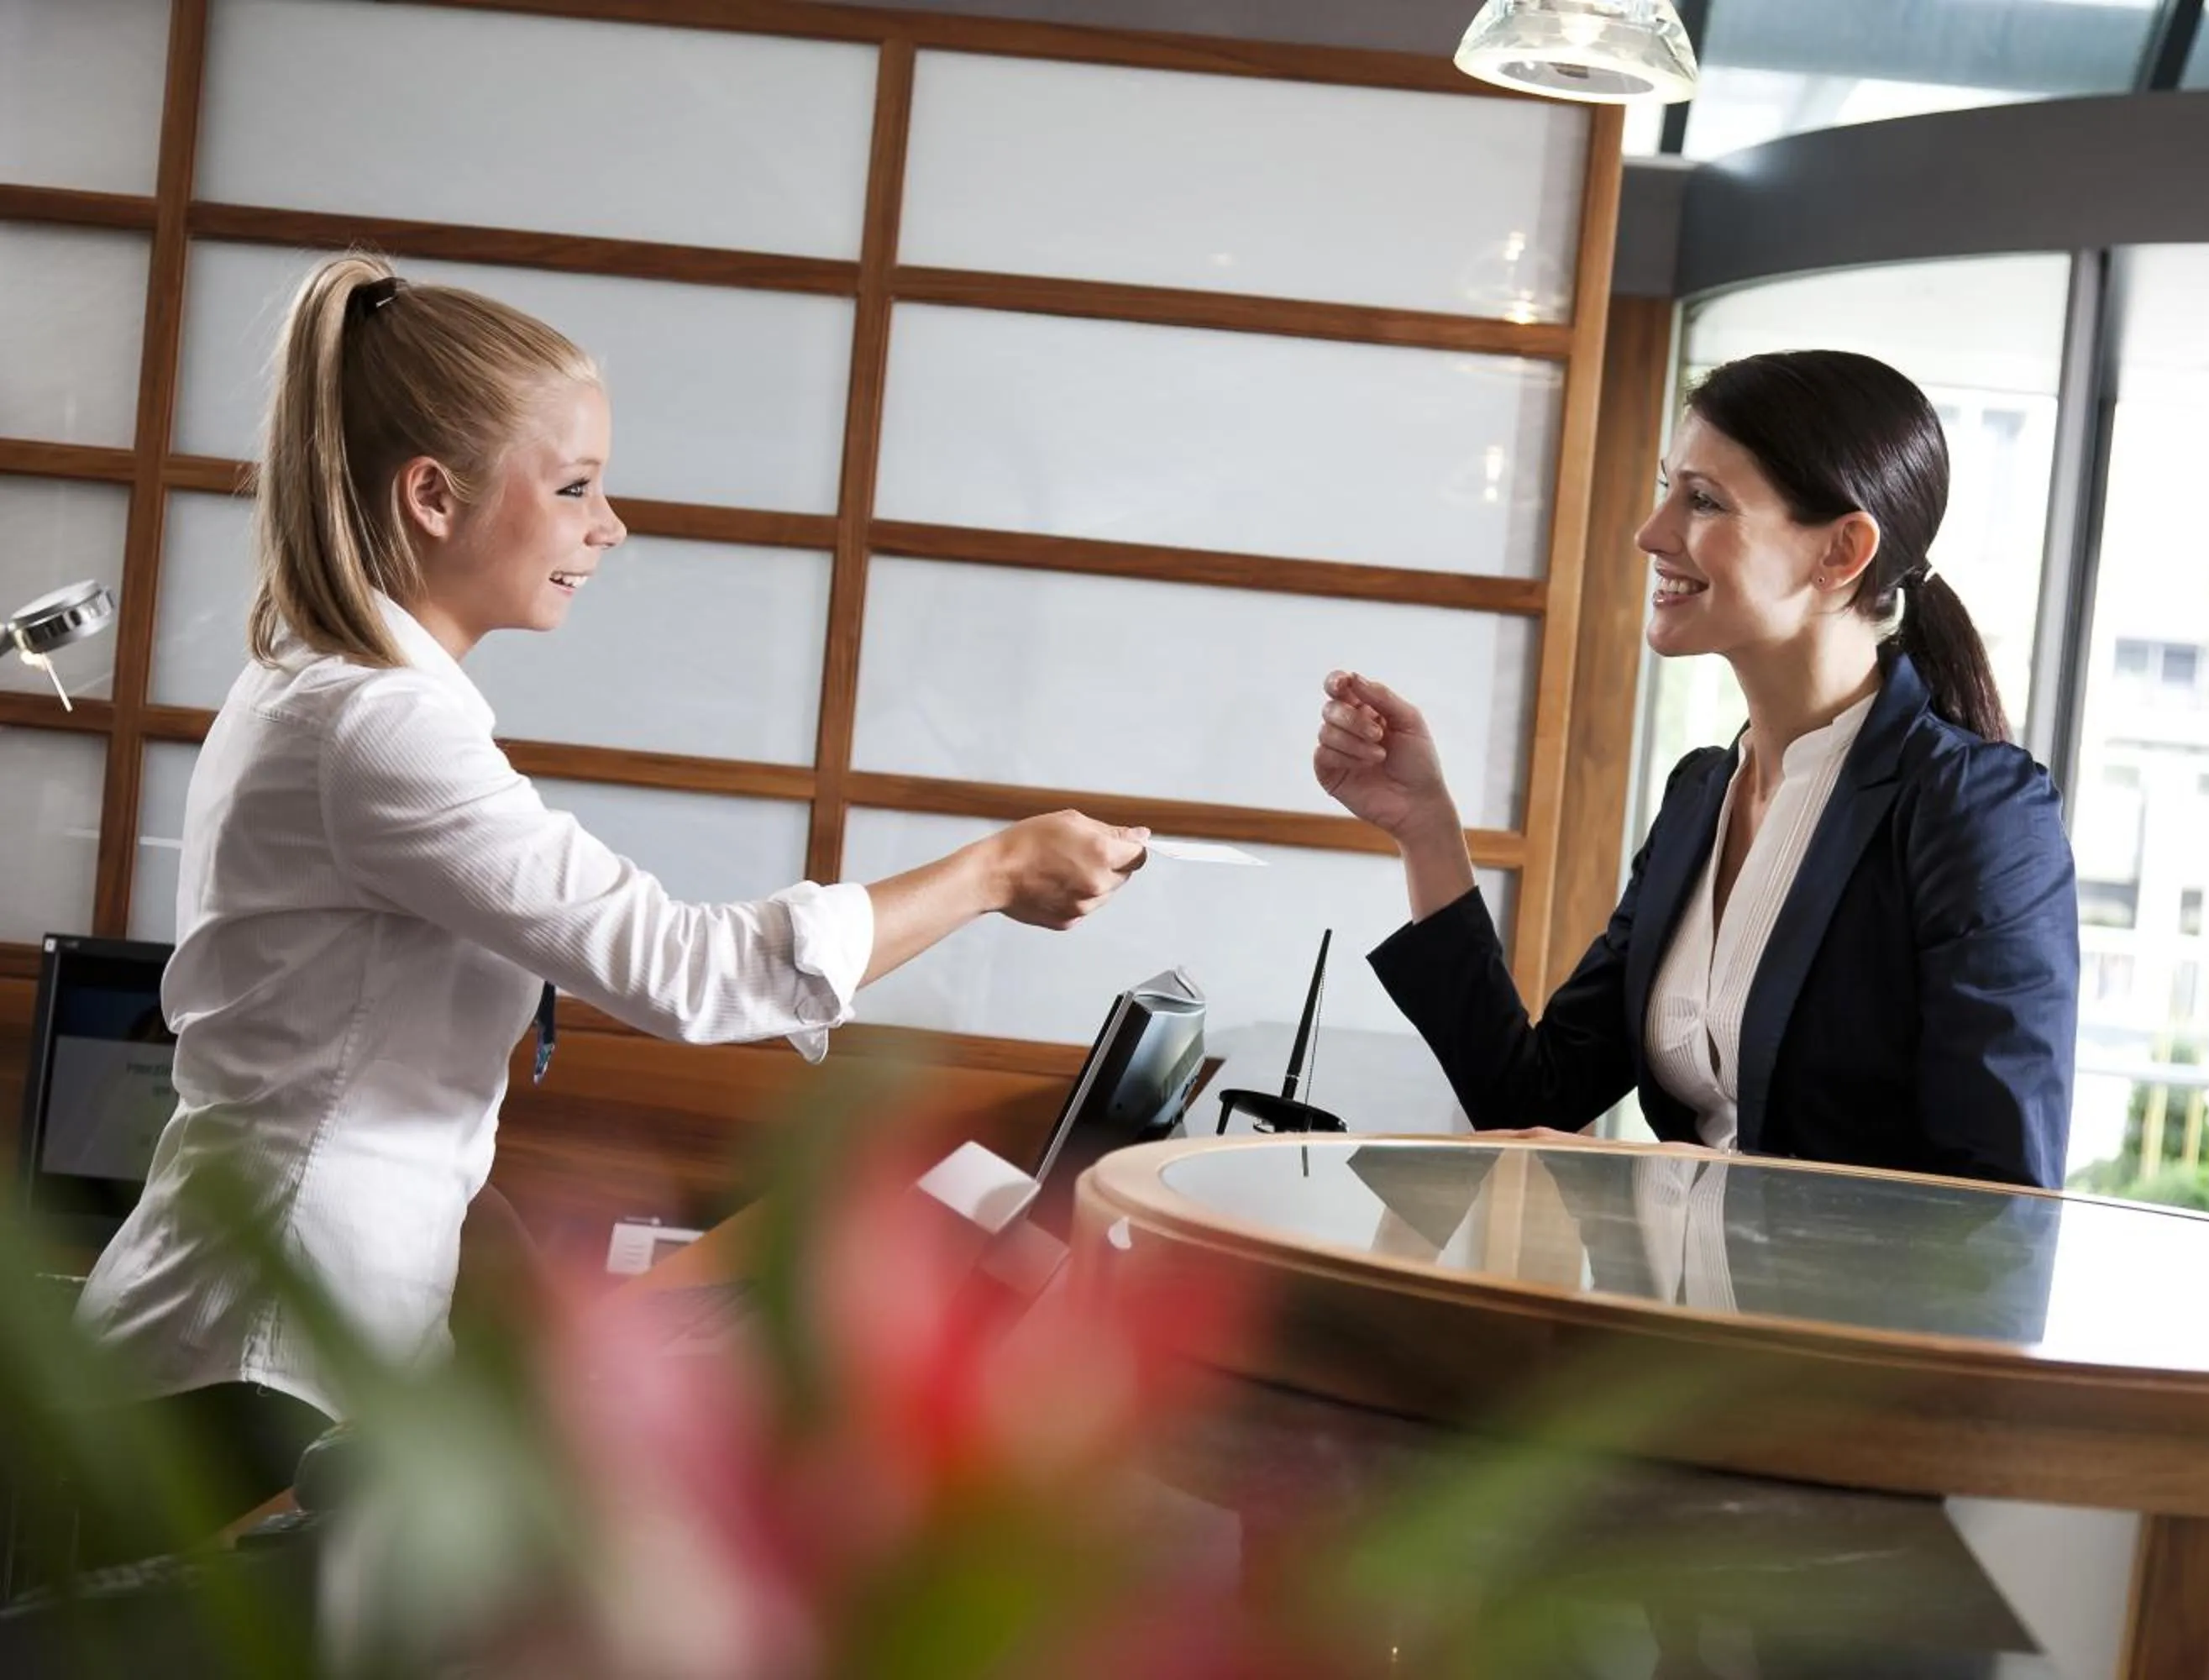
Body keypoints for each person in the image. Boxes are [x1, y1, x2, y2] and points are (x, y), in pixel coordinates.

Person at [71, 255, 1148, 1536]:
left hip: (283, 1327)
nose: (611, 525)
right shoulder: (377, 727)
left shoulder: (340, 690)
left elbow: (370, 1057)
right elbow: (690, 971)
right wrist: (991, 871)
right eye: (576, 487)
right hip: (250, 1358)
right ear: (432, 495)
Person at [1315, 349, 2077, 1190]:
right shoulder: (1701, 795)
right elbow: (1530, 1094)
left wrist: (1700, 1190)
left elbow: (2000, 1204)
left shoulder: (1974, 809)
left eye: (1703, 500)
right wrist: (1426, 828)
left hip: (1825, 1325)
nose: (1651, 532)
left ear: (1841, 550)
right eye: (1667, 487)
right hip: (1659, 1308)